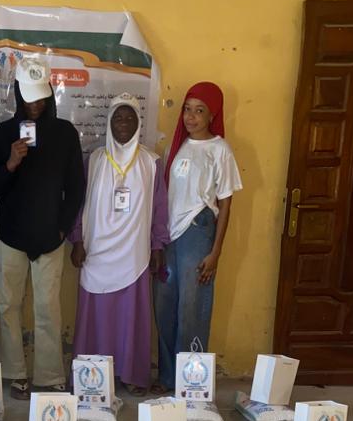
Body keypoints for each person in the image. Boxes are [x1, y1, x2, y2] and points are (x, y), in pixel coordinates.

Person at [0, 57, 85, 399]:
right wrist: (10, 163)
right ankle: (15, 373)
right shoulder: (2, 134)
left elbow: (76, 187)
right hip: (11, 234)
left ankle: (49, 374)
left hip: (49, 237)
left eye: (41, 97)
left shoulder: (65, 133)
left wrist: (62, 228)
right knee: (7, 305)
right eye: (28, 97)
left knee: (47, 307)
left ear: (50, 95)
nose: (35, 105)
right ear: (16, 94)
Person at [70, 93, 169, 393]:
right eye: (117, 118)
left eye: (129, 117)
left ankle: (131, 374)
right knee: (97, 317)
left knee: (131, 317)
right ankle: (91, 377)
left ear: (138, 122)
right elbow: (79, 203)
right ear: (109, 123)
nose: (123, 123)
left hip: (133, 252)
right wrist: (77, 239)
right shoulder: (95, 159)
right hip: (97, 250)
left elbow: (160, 208)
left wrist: (157, 245)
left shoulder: (151, 163)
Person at [153, 81, 243, 392]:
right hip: (171, 235)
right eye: (187, 110)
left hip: (198, 231)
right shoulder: (174, 146)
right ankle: (167, 377)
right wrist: (159, 241)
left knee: (191, 308)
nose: (191, 117)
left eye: (199, 111)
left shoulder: (219, 149)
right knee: (164, 307)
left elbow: (227, 202)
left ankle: (189, 381)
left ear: (212, 115)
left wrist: (215, 252)